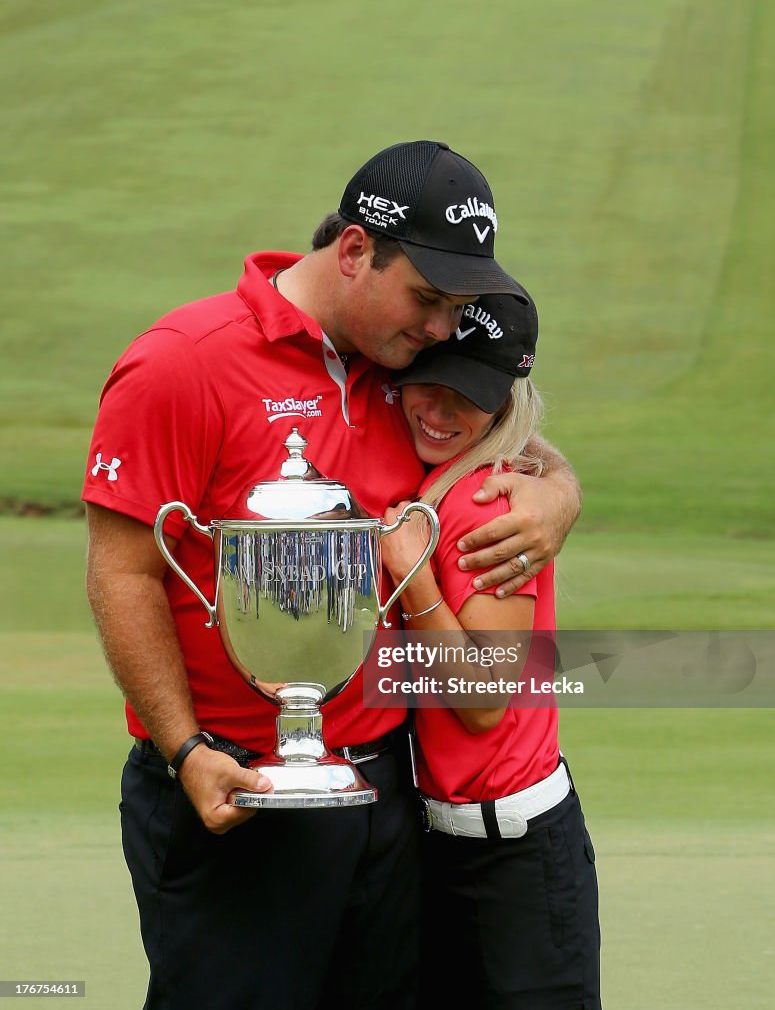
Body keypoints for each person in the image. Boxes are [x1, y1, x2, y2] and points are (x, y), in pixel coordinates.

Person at [83, 140, 582, 1010]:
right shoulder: (183, 360)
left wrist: (562, 492)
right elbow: (121, 571)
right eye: (426, 300)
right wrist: (186, 750)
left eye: (454, 308)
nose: (438, 331)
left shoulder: (400, 373)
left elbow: (503, 437)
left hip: (387, 796)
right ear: (354, 251)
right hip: (231, 791)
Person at [380, 290, 601, 1009]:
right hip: (438, 845)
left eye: (466, 395)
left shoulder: (489, 502)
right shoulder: (439, 474)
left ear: (503, 401)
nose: (439, 411)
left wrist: (413, 581)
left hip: (515, 862)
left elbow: (481, 701)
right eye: (430, 381)